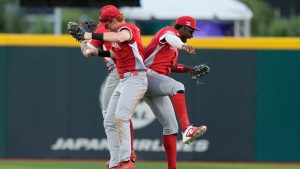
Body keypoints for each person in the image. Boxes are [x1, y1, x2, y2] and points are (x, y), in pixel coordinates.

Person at [81, 5, 147, 169]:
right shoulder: (115, 35)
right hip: (124, 79)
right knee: (110, 121)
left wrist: (90, 34)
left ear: (112, 20)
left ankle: (126, 160)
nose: (105, 27)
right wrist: (84, 42)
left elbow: (120, 37)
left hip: (136, 76)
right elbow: (109, 53)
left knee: (121, 117)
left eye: (106, 24)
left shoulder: (127, 28)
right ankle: (116, 162)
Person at [144, 16, 207, 146]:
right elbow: (169, 37)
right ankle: (187, 128)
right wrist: (183, 46)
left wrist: (188, 69)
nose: (192, 35)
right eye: (191, 31)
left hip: (154, 81)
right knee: (178, 87)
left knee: (171, 127)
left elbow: (170, 67)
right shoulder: (169, 31)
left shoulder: (173, 46)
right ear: (183, 28)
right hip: (146, 76)